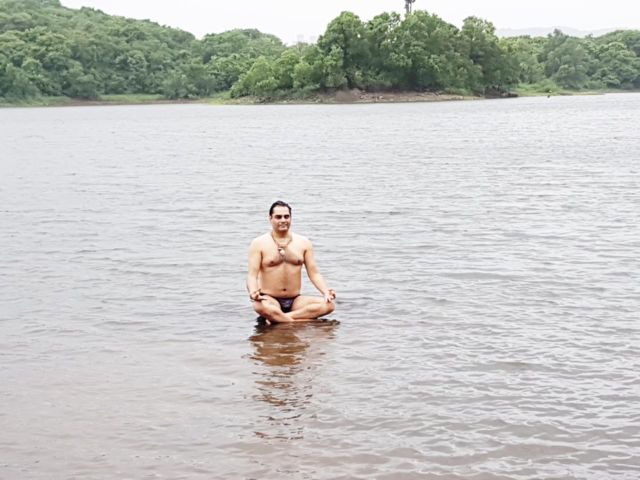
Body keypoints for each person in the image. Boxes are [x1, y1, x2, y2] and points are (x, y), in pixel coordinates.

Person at [247, 201, 336, 324]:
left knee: (329, 305)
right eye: (278, 217)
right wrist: (253, 292)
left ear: (291, 218)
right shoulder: (259, 243)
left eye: (286, 216)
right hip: (270, 298)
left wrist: (326, 292)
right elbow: (252, 275)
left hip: (295, 300)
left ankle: (281, 319)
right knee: (259, 306)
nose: (283, 220)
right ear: (270, 218)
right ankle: (299, 321)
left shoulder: (304, 242)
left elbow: (314, 273)